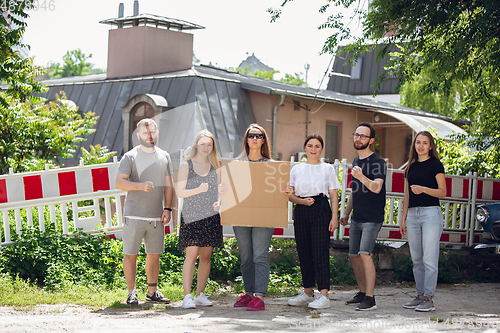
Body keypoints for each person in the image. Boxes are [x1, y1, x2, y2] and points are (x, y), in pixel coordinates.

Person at [116, 118, 173, 305]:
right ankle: (132, 292)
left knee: (154, 254)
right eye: (146, 132)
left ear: (157, 133)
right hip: (133, 214)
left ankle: (152, 291)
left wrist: (168, 208)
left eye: (153, 131)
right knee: (131, 254)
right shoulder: (130, 157)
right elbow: (119, 182)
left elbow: (168, 185)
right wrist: (140, 186)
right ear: (138, 135)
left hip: (156, 215)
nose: (150, 135)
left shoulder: (164, 156)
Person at [232, 123, 283, 311]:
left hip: (264, 216)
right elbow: (231, 191)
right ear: (246, 139)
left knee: (259, 256)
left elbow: (277, 192)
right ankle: (249, 293)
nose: (254, 138)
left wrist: (285, 190)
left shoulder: (271, 166)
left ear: (263, 140)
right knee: (245, 256)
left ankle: (260, 296)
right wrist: (224, 189)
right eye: (251, 135)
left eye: (258, 136)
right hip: (241, 216)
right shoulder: (236, 165)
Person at [286, 134, 340, 309]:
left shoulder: (328, 169)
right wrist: (299, 199)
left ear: (321, 149)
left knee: (320, 252)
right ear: (305, 147)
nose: (313, 149)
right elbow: (291, 196)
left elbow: (333, 194)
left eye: (317, 146)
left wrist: (334, 217)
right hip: (301, 209)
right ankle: (308, 292)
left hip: (321, 208)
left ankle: (324, 295)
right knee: (304, 251)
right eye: (310, 145)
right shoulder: (296, 169)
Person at [339, 122, 386, 311]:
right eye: (356, 135)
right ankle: (361, 292)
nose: (357, 139)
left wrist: (361, 177)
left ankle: (370, 298)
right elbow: (354, 190)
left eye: (362, 136)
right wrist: (346, 212)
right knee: (354, 256)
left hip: (372, 218)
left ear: (371, 140)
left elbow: (377, 187)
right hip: (357, 217)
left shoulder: (378, 162)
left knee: (365, 254)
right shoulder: (356, 161)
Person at [177, 130, 225, 309]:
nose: (206, 147)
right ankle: (187, 296)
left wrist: (219, 203)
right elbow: (180, 192)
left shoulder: (216, 166)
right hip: (191, 215)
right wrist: (198, 189)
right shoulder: (186, 165)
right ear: (196, 144)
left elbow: (219, 192)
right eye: (203, 144)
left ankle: (200, 295)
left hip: (210, 216)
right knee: (191, 255)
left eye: (209, 144)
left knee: (206, 257)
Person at [399, 131, 446, 312]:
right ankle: (419, 296)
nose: (420, 146)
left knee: (429, 259)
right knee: (417, 259)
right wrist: (403, 219)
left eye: (425, 143)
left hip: (430, 214)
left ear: (430, 146)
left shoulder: (436, 165)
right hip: (412, 216)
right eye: (418, 142)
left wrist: (425, 189)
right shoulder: (410, 167)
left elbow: (442, 192)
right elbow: (407, 195)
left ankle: (429, 298)